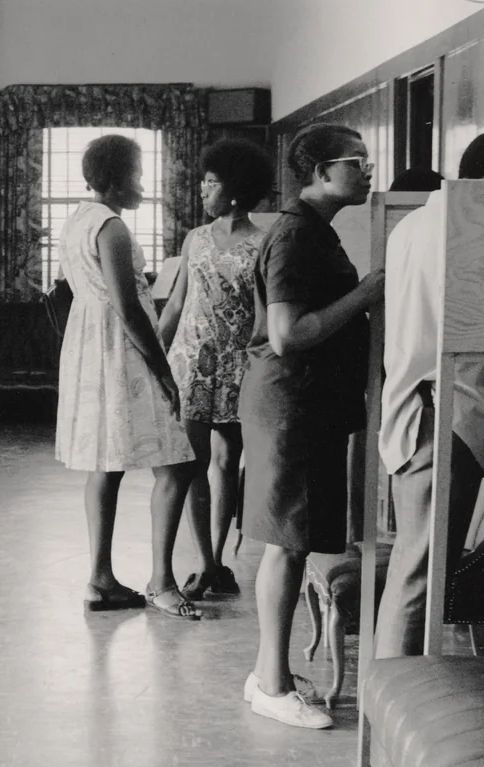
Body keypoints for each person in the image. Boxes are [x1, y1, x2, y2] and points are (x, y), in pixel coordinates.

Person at [238, 123, 384, 729]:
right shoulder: (297, 235)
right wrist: (372, 290)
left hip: (303, 404)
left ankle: (267, 674)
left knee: (292, 544)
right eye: (358, 161)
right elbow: (289, 333)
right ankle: (271, 685)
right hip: (289, 402)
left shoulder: (313, 231)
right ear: (322, 172)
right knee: (286, 544)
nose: (368, 171)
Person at [374, 132, 484, 658]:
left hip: (420, 407)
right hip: (445, 412)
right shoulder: (471, 231)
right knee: (419, 578)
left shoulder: (414, 223)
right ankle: (390, 711)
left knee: (416, 571)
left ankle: (389, 703)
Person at [54, 134, 199, 620]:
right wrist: (163, 370)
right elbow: (129, 309)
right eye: (137, 175)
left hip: (90, 345)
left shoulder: (77, 221)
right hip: (119, 347)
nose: (142, 185)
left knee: (106, 463)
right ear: (116, 180)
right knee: (176, 466)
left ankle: (100, 580)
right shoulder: (111, 227)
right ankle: (161, 580)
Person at [158, 138, 274, 601]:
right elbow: (177, 304)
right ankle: (205, 561)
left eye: (210, 183)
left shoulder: (263, 244)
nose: (202, 191)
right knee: (191, 465)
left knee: (228, 463)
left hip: (239, 364)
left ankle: (217, 559)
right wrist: (155, 357)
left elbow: (266, 314)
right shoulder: (196, 238)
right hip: (189, 363)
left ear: (234, 189)